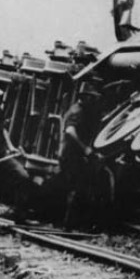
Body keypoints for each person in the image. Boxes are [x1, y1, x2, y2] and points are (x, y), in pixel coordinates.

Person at [0, 83, 35, 224]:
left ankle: (20, 216)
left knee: (23, 176)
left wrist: (10, 146)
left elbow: (3, 129)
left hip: (1, 151)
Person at [58, 84, 101, 228]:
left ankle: (68, 222)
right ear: (85, 97)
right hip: (70, 154)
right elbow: (70, 131)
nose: (93, 101)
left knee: (73, 187)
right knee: (74, 188)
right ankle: (68, 225)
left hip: (71, 154)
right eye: (92, 97)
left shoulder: (78, 109)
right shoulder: (77, 111)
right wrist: (85, 149)